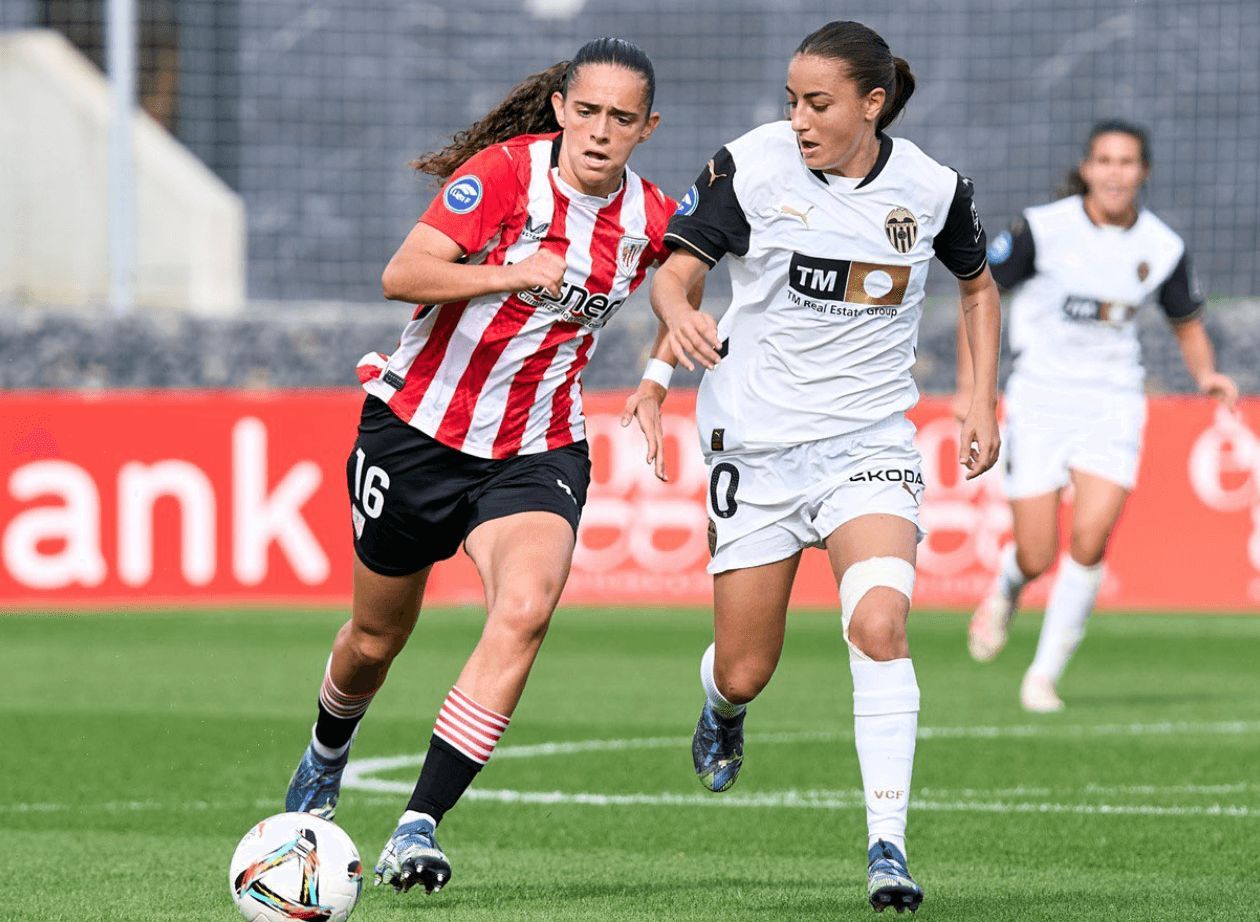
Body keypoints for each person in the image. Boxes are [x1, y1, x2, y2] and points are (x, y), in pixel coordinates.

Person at [282, 37, 684, 897]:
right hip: (416, 432)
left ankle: (416, 826)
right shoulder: (503, 174)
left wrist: (656, 378)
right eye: (587, 112)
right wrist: (511, 274)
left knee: (528, 609)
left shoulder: (652, 216)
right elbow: (404, 273)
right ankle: (326, 751)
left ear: (647, 128)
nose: (600, 132)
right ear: (561, 110)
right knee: (375, 639)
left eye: (622, 118)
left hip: (536, 447)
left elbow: (681, 290)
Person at [624, 20, 1001, 914]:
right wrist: (674, 321)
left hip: (867, 446)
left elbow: (979, 286)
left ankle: (888, 846)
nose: (798, 119)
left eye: (818, 103)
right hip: (753, 447)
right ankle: (721, 708)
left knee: (879, 624)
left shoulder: (934, 191)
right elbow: (673, 274)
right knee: (747, 666)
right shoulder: (751, 167)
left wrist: (981, 396)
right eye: (792, 100)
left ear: (873, 104)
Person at [964, 120, 1238, 711]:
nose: (1116, 173)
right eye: (1105, 161)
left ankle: (1043, 676)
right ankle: (1009, 586)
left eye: (1128, 162)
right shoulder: (1042, 228)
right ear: (1087, 169)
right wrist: (974, 389)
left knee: (1089, 541)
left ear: (1143, 173)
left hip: (1112, 403)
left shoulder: (1161, 246)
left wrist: (1207, 374)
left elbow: (1185, 321)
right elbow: (978, 290)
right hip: (1039, 399)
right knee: (1037, 553)